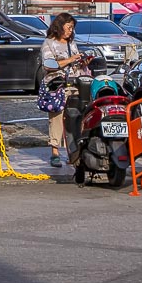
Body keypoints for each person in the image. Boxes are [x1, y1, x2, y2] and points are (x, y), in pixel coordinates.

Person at [40, 12, 86, 168]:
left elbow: (75, 62)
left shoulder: (71, 44)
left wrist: (82, 62)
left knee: (77, 116)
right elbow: (48, 65)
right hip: (57, 84)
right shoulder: (49, 43)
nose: (70, 31)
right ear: (59, 27)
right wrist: (71, 60)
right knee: (57, 117)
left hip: (74, 83)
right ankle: (55, 152)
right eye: (68, 27)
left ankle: (74, 152)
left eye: (72, 28)